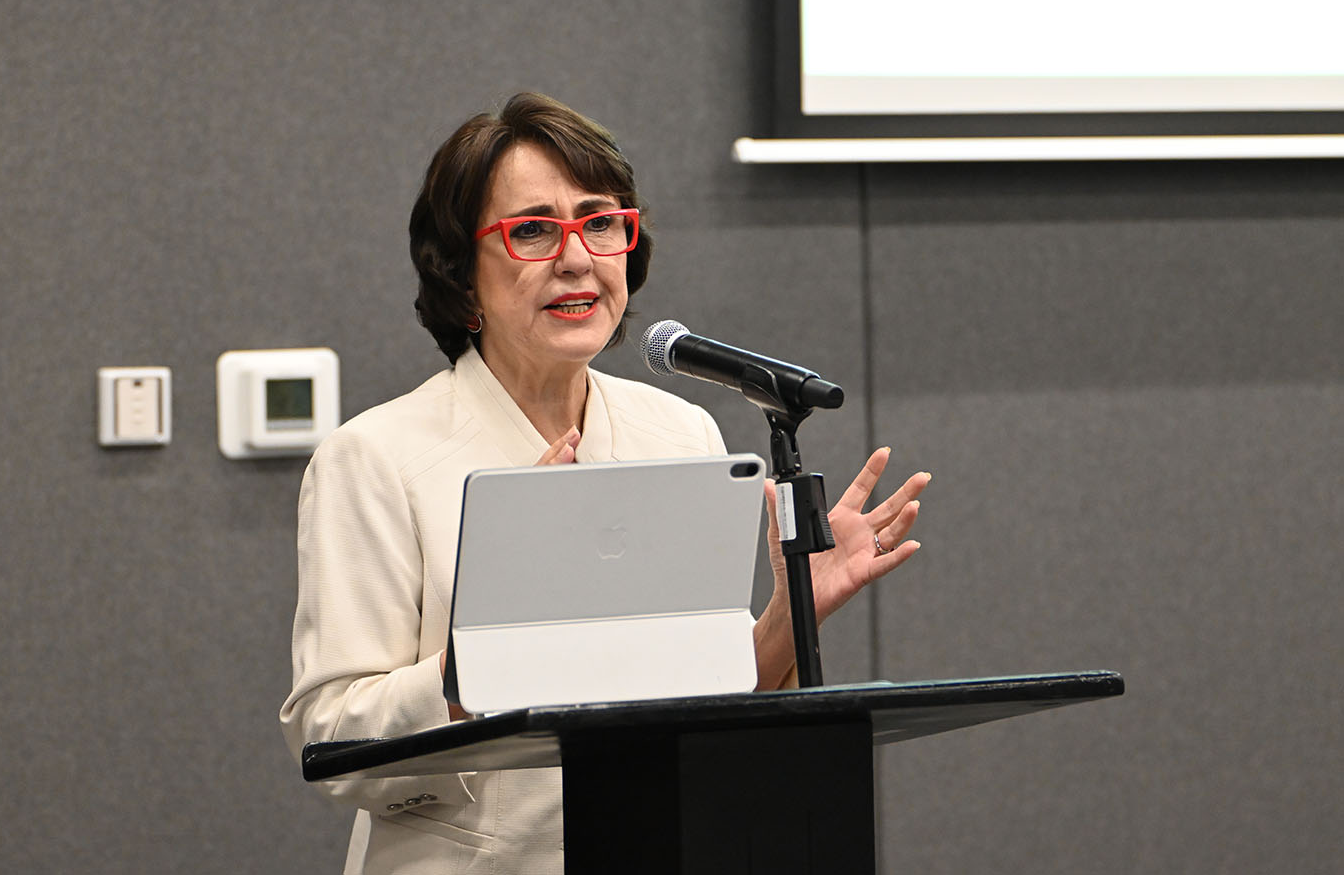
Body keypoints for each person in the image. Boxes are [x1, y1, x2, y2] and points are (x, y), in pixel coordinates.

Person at [279, 92, 930, 875]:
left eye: (600, 221)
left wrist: (793, 613)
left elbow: (704, 693)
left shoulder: (680, 433)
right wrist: (483, 647)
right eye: (532, 230)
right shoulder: (375, 456)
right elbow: (333, 740)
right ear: (460, 274)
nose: (577, 257)